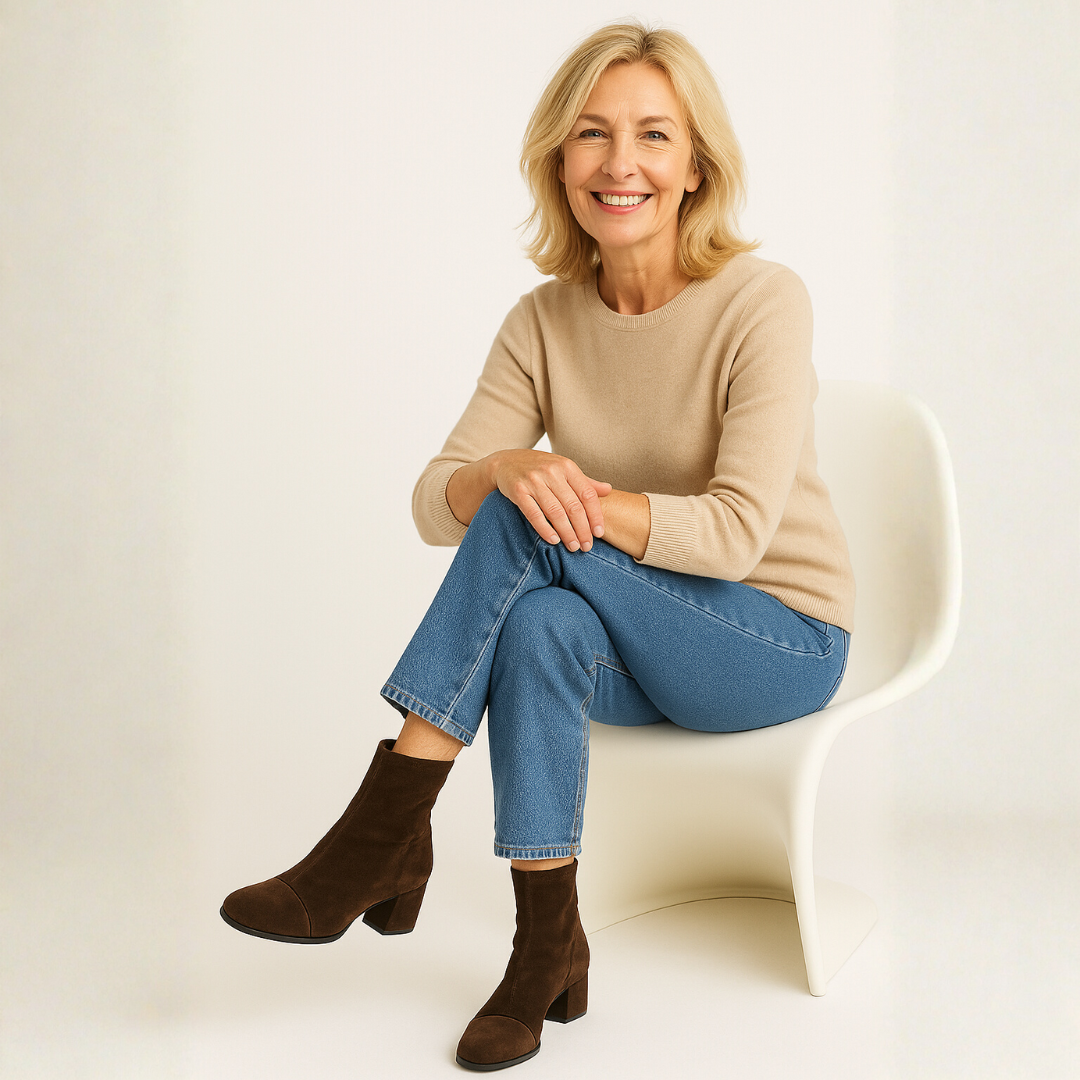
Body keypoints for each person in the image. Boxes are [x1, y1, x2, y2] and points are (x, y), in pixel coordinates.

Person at [219, 20, 855, 1073]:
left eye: (655, 135)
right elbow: (436, 503)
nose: (620, 162)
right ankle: (544, 951)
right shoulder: (542, 322)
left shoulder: (762, 301)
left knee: (528, 517)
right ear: (559, 161)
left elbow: (737, 535)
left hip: (777, 641)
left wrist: (557, 499)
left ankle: (380, 836)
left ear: (697, 167)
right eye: (592, 133)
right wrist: (502, 469)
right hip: (639, 643)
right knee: (540, 619)